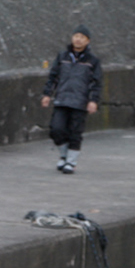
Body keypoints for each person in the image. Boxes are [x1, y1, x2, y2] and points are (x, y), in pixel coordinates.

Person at [42, 26, 102, 174]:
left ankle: (71, 162)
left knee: (75, 132)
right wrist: (47, 94)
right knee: (56, 129)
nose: (78, 39)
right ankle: (64, 155)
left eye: (82, 37)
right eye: (76, 36)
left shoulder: (93, 61)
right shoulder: (62, 57)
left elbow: (96, 82)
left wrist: (93, 100)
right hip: (62, 99)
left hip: (80, 102)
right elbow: (53, 77)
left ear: (87, 41)